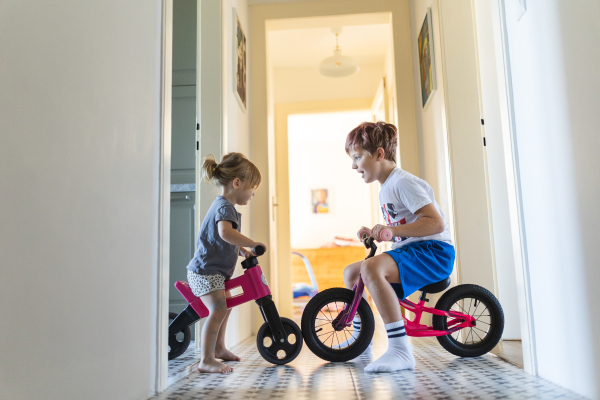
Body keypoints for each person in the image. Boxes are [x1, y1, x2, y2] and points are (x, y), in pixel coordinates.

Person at [342, 121, 454, 373]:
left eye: (358, 157)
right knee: (351, 272)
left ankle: (401, 351)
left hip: (434, 252)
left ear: (379, 154)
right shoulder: (386, 187)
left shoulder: (403, 183)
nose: (353, 165)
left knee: (370, 268)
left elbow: (435, 223)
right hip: (414, 251)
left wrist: (392, 231)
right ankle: (363, 340)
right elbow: (403, 226)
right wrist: (376, 231)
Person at [186, 152, 266, 374]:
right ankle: (206, 359)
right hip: (204, 272)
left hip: (214, 272)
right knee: (219, 309)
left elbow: (226, 239)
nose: (252, 194)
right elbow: (224, 233)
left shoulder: (225, 206)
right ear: (237, 183)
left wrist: (243, 250)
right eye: (252, 188)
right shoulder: (224, 207)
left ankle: (219, 348)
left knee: (226, 306)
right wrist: (252, 242)